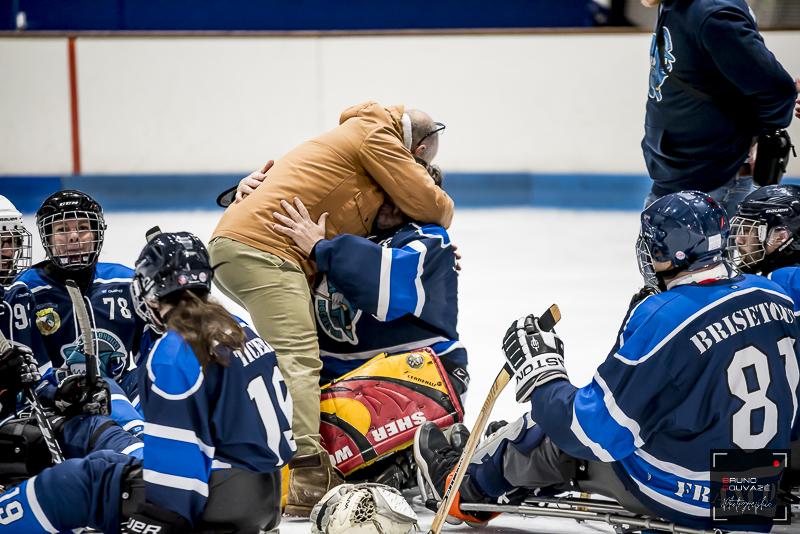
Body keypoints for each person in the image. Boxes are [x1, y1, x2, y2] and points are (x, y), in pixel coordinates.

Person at [415, 191, 800, 532]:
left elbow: (594, 431)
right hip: (755, 498)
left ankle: (459, 490)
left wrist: (543, 372)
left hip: (689, 499)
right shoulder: (773, 295)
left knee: (549, 426)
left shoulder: (664, 315)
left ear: (671, 253)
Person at [209, 101, 454, 515]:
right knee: (297, 356)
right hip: (265, 253)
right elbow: (439, 209)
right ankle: (306, 470)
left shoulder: (358, 162)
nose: (398, 201)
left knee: (279, 357)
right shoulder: (377, 133)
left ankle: (257, 444)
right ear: (411, 154)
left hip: (254, 250)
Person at [0, 231, 295, 534]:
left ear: (151, 288)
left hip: (213, 499)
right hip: (267, 494)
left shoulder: (173, 351)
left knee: (76, 481)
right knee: (108, 450)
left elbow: (177, 472)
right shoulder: (240, 328)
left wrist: (154, 523)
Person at [273, 165, 468, 487]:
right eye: (386, 189)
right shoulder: (341, 233)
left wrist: (322, 249)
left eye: (407, 195)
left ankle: (419, 455)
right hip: (341, 385)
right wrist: (250, 189)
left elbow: (386, 283)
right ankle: (404, 461)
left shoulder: (430, 240)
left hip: (417, 378)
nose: (392, 202)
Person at [0, 195, 142, 489]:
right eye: (62, 229)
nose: (74, 237)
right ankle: (146, 457)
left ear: (98, 233)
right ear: (47, 238)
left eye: (82, 228)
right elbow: (29, 378)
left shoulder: (126, 282)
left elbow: (155, 356)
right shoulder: (25, 291)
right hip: (56, 407)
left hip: (119, 395)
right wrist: (60, 393)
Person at [641, 0, 796, 216]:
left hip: (713, 182)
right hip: (679, 175)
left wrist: (765, 134)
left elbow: (777, 88)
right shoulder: (675, 4)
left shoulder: (713, 14)